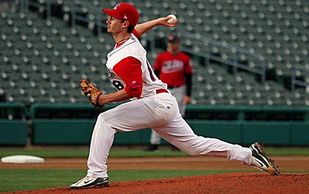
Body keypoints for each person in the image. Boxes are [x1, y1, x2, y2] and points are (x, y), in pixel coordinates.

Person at [70, 2, 280, 189]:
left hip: (153, 104)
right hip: (164, 103)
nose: (108, 20)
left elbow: (134, 90)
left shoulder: (127, 56)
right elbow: (137, 29)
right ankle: (248, 154)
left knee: (105, 120)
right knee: (194, 146)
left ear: (124, 24)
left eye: (113, 17)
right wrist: (159, 21)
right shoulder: (129, 40)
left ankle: (96, 174)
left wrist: (102, 99)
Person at [146, 33, 193, 151]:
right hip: (164, 89)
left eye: (174, 43)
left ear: (178, 44)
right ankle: (154, 143)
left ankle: (176, 144)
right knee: (157, 115)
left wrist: (188, 94)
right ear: (168, 44)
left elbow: (189, 77)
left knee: (179, 116)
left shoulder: (184, 58)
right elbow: (154, 75)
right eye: (171, 43)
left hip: (179, 89)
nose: (172, 45)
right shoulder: (161, 57)